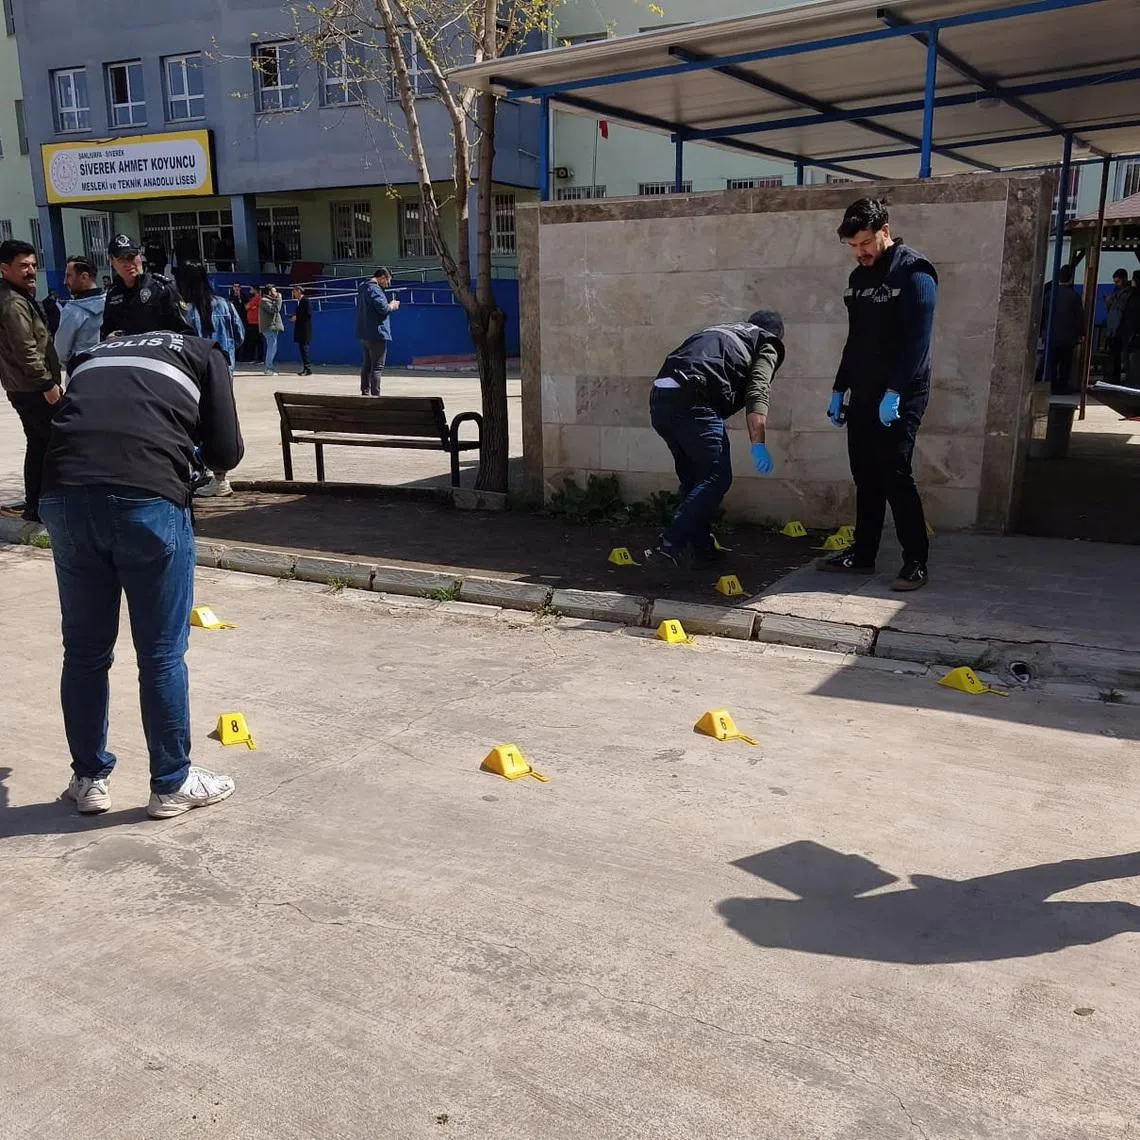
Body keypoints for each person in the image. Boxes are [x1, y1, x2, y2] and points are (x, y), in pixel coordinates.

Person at [38, 329, 244, 819]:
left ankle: (88, 779)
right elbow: (226, 452)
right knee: (161, 654)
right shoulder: (202, 351)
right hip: (146, 495)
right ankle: (171, 782)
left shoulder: (92, 353)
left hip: (64, 494)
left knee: (85, 651)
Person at [821, 198, 938, 593]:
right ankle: (863, 552)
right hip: (865, 392)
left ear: (885, 229)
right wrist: (840, 387)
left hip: (902, 393)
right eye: (853, 246)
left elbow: (917, 346)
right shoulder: (859, 279)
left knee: (896, 475)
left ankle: (915, 561)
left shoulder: (915, 273)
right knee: (865, 475)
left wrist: (895, 394)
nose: (861, 252)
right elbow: (855, 341)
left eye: (866, 242)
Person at [643, 311, 785, 567]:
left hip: (660, 400)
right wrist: (759, 444)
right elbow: (758, 390)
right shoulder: (767, 341)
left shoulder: (720, 331)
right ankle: (669, 545)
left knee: (695, 478)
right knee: (717, 476)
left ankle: (700, 548)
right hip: (693, 400)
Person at [0, 239, 63, 523]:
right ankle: (39, 506)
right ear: (5, 268)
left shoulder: (19, 295)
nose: (30, 271)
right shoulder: (12, 302)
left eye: (33, 265)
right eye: (23, 265)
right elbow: (25, 349)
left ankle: (37, 505)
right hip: (32, 388)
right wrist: (47, 385)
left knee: (40, 444)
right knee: (46, 445)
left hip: (25, 385)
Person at [175, 260, 245, 499]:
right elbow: (240, 336)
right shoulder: (224, 304)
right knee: (220, 423)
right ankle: (220, 478)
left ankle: (200, 469)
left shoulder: (186, 311)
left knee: (196, 424)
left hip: (195, 376)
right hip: (224, 372)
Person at [101, 233, 195, 339]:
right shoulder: (113, 294)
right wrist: (108, 338)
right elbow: (105, 332)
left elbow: (187, 334)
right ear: (112, 262)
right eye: (122, 259)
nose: (128, 264)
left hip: (158, 353)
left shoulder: (161, 289)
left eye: (131, 257)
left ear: (140, 256)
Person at [1038, 264, 1085, 395]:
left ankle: (1050, 385)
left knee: (1051, 362)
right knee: (1065, 363)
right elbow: (1079, 317)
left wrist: (1042, 331)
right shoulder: (1074, 296)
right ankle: (1062, 386)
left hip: (1051, 334)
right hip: (1068, 337)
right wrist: (1081, 333)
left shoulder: (1050, 294)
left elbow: (1042, 313)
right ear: (1071, 278)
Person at [54, 255, 105, 373]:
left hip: (82, 374)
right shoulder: (111, 302)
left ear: (84, 277)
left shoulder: (72, 311)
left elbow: (61, 352)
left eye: (68, 276)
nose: (65, 281)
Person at [355, 267, 400, 396]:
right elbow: (383, 308)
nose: (388, 285)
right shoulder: (374, 289)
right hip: (377, 333)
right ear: (382, 278)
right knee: (377, 368)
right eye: (387, 281)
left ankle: (365, 391)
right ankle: (376, 395)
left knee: (367, 365)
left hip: (365, 333)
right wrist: (392, 305)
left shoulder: (363, 288)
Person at [1104, 268, 1132, 385]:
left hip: (1121, 329)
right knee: (1113, 355)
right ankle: (1113, 377)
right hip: (1113, 329)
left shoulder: (1128, 294)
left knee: (1123, 355)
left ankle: (1122, 378)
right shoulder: (1116, 292)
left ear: (1124, 279)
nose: (1116, 284)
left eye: (1118, 281)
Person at [259, 284, 284, 375]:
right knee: (271, 348)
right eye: (274, 291)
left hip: (272, 327)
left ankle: (270, 366)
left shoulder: (270, 300)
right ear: (269, 292)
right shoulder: (264, 301)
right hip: (268, 327)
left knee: (273, 348)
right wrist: (279, 298)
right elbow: (275, 309)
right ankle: (268, 368)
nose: (276, 293)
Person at [290, 285, 313, 376]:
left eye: (294, 292)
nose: (293, 294)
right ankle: (306, 368)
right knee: (302, 350)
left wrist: (297, 317)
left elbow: (308, 314)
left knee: (304, 350)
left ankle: (308, 369)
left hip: (305, 330)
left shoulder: (305, 301)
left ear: (299, 291)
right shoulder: (300, 302)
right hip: (301, 329)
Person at [244, 286, 263, 364]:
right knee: (253, 341)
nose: (250, 291)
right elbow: (246, 307)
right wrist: (251, 307)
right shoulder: (252, 298)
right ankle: (254, 358)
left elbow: (247, 306)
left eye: (251, 289)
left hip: (256, 323)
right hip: (251, 322)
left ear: (255, 290)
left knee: (258, 341)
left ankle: (260, 359)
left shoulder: (257, 298)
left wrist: (251, 307)